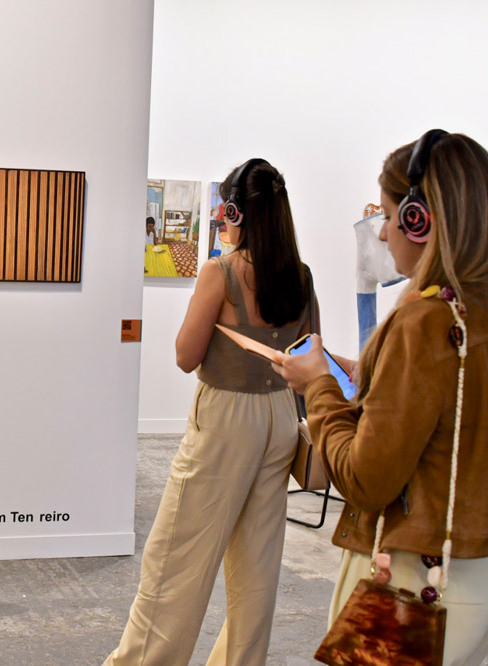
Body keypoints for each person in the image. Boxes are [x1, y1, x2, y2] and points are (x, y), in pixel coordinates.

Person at [275, 130, 488, 665]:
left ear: (421, 220)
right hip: (479, 584)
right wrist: (371, 376)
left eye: (390, 216)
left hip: (412, 589)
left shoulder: (424, 320)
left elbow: (365, 479)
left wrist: (318, 386)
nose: (385, 233)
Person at [105, 158, 314, 665]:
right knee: (257, 564)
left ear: (236, 212)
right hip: (281, 416)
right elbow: (310, 352)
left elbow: (185, 356)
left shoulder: (220, 272)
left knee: (178, 555)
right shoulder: (300, 275)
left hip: (226, 417)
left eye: (225, 210)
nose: (221, 218)